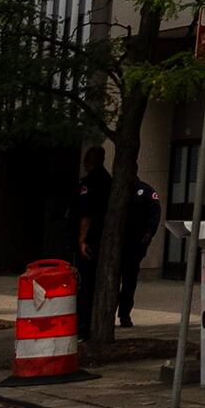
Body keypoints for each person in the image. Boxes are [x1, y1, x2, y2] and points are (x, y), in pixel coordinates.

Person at [74, 144, 118, 336]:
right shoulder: (109, 181)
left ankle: (83, 328)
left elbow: (86, 214)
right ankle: (92, 325)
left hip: (91, 240)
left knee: (85, 285)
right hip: (105, 239)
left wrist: (82, 239)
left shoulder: (90, 182)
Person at [118, 174, 162, 326]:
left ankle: (124, 315)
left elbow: (155, 215)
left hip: (134, 244)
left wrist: (148, 236)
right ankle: (109, 314)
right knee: (112, 281)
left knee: (129, 282)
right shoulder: (116, 190)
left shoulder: (145, 191)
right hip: (116, 245)